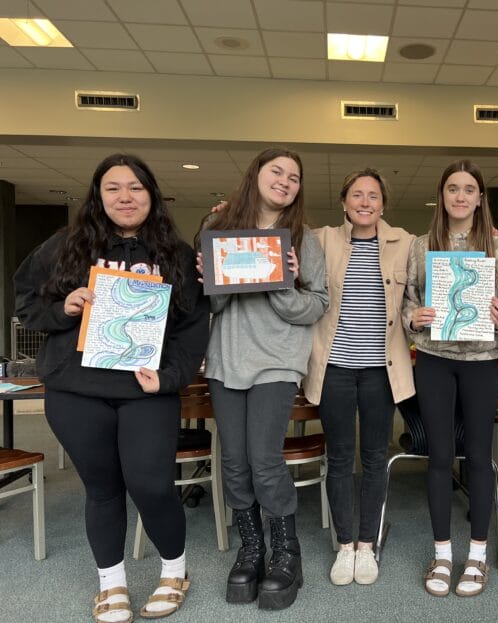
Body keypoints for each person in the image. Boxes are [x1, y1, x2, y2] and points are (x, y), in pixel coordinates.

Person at [14, 153, 209, 623]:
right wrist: (65, 308)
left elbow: (192, 328)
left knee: (151, 485)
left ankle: (174, 571)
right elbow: (26, 306)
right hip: (76, 389)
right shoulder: (64, 248)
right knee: (102, 489)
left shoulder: (176, 255)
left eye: (136, 188)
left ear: (152, 195)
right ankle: (111, 584)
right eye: (114, 188)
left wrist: (170, 377)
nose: (125, 197)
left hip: (147, 391)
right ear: (98, 196)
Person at [200, 147, 327, 610]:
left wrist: (282, 284)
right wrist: (209, 282)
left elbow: (316, 305)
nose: (285, 181)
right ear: (256, 175)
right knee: (234, 461)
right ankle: (251, 548)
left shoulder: (302, 239)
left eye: (294, 176)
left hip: (277, 359)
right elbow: (209, 307)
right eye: (277, 171)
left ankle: (286, 552)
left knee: (264, 459)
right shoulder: (216, 230)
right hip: (226, 359)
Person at [402, 159, 498, 597]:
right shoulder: (420, 245)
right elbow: (407, 301)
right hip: (434, 358)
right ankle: (444, 553)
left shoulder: (497, 248)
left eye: (469, 189)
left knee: (479, 453)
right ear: (442, 195)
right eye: (453, 188)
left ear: (480, 197)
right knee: (440, 454)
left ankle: (479, 555)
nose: (461, 196)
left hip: (482, 359)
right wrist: (414, 317)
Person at [303, 168, 416, 586]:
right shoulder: (320, 239)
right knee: (339, 457)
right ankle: (344, 544)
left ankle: (367, 544)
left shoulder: (405, 242)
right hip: (333, 368)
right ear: (344, 202)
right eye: (357, 195)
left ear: (383, 204)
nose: (365, 202)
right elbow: (273, 238)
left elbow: (438, 263)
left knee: (373, 458)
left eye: (373, 196)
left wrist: (486, 235)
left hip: (379, 371)